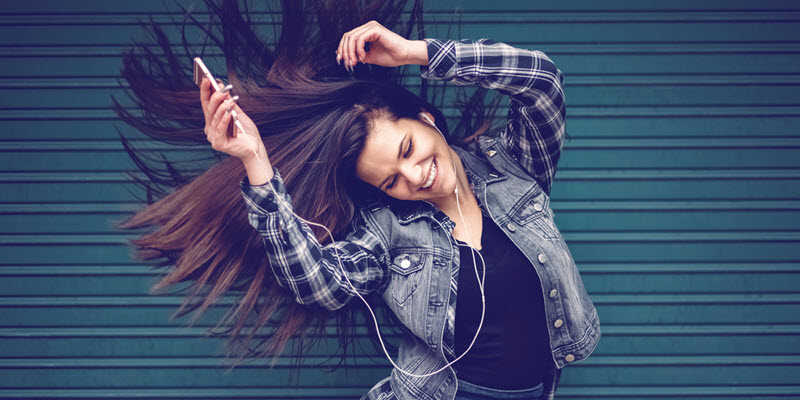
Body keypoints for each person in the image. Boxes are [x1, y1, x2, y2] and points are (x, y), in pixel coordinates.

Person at [114, 1, 598, 399]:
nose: (414, 175)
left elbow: (541, 80)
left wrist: (418, 53)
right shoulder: (390, 233)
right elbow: (318, 284)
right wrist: (256, 162)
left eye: (407, 149)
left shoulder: (513, 167)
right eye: (391, 181)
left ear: (426, 118)